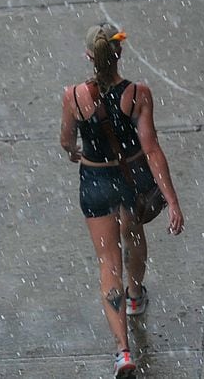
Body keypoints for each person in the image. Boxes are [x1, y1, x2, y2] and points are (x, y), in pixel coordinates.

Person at [59, 22, 185, 378]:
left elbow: (66, 140)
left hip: (95, 179)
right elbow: (152, 148)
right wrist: (172, 200)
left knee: (107, 261)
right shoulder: (138, 94)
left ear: (88, 57)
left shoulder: (73, 96)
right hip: (132, 177)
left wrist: (74, 151)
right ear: (119, 54)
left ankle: (123, 351)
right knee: (133, 235)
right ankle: (135, 293)